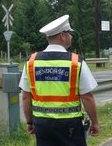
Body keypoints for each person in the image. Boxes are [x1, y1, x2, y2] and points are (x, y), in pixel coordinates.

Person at [19, 14, 100, 146]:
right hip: (70, 125)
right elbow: (87, 97)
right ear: (63, 35)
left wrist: (30, 122)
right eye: (70, 33)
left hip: (42, 124)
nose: (71, 36)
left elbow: (26, 97)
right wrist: (95, 122)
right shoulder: (75, 61)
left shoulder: (31, 61)